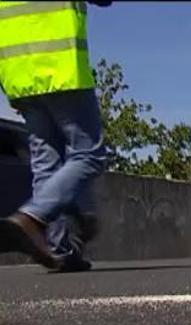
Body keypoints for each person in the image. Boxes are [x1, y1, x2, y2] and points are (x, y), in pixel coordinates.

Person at [0, 0, 113, 272]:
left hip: (18, 72)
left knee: (46, 160)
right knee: (91, 153)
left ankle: (60, 249)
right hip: (60, 66)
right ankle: (32, 216)